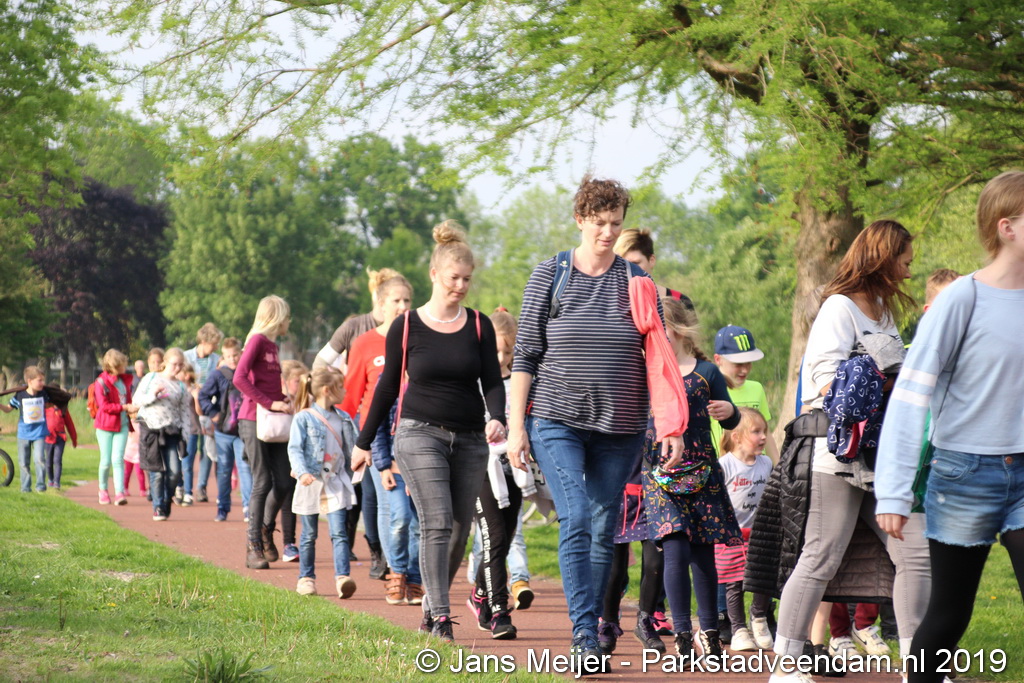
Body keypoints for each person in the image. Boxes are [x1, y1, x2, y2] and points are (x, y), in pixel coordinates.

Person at [506, 175, 681, 672]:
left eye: (615, 223)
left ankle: (597, 626)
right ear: (580, 219)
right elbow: (525, 356)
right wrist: (516, 426)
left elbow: (659, 359)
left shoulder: (638, 283)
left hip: (620, 427)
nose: (607, 232)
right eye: (599, 223)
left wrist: (670, 425)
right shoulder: (551, 275)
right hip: (555, 420)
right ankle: (583, 633)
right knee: (577, 516)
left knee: (604, 528)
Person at [876, 171, 1024, 683]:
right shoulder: (964, 298)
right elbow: (909, 398)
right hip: (964, 474)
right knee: (949, 614)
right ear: (1007, 227)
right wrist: (893, 491)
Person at [767, 220, 930, 683]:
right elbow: (824, 378)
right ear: (882, 258)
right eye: (903, 261)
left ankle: (918, 666)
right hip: (837, 454)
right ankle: (786, 663)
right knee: (821, 554)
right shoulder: (839, 307)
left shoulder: (882, 311)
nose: (908, 271)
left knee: (915, 553)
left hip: (883, 455)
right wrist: (876, 386)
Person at [351, 221, 506, 643]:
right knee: (436, 522)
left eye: (467, 279)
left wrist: (497, 416)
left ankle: (430, 602)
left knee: (458, 530)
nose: (461, 286)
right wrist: (364, 443)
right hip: (419, 434)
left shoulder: (479, 325)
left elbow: (493, 381)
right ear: (434, 274)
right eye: (454, 278)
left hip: (471, 439)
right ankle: (440, 615)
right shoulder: (407, 326)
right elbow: (386, 388)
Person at [643, 297, 741, 658]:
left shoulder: (707, 372)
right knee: (675, 546)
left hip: (702, 471)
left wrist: (730, 410)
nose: (657, 338)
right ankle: (683, 634)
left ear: (680, 330)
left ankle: (710, 632)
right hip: (660, 472)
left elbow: (730, 420)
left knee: (702, 551)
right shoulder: (647, 370)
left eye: (663, 330)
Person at [341, 270, 414, 593]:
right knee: (389, 508)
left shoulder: (419, 338)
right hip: (377, 437)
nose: (403, 306)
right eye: (396, 300)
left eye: (407, 300)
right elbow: (351, 398)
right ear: (381, 305)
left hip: (414, 434)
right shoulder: (364, 343)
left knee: (412, 513)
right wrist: (360, 442)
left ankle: (410, 574)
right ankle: (394, 569)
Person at [466, 309, 530, 640]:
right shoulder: (473, 383)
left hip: (514, 470)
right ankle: (499, 611)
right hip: (480, 469)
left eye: (508, 352)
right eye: (496, 352)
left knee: (504, 537)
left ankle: (480, 593)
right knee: (493, 536)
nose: (502, 358)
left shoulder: (522, 382)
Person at [287, 367, 359, 599]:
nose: (345, 391)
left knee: (340, 533)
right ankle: (306, 579)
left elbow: (353, 447)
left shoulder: (344, 418)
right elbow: (295, 449)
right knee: (309, 535)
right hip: (311, 482)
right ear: (327, 390)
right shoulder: (304, 418)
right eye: (341, 386)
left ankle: (342, 578)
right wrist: (301, 472)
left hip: (335, 482)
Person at [234, 295, 293, 569]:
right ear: (277, 317)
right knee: (262, 482)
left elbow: (268, 382)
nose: (289, 321)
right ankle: (253, 546)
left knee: (284, 481)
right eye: (287, 316)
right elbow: (239, 378)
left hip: (275, 420)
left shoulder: (273, 345)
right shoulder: (257, 341)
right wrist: (270, 403)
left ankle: (266, 529)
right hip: (253, 418)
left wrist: (283, 399)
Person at [716, 407, 774, 652]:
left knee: (763, 580)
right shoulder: (724, 465)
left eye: (764, 431)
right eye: (756, 432)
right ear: (737, 436)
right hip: (731, 537)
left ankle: (759, 619)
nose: (763, 437)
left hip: (760, 535)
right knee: (734, 584)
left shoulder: (766, 463)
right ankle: (738, 629)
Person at [135, 348, 193, 521]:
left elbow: (185, 412)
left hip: (171, 431)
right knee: (157, 472)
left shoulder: (181, 386)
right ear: (165, 362)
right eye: (174, 364)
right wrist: (153, 395)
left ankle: (167, 499)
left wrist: (186, 434)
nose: (177, 368)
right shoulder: (151, 378)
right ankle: (158, 507)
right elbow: (136, 401)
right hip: (151, 430)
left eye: (180, 365)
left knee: (174, 472)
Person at [711, 325, 779, 463]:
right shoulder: (709, 391)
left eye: (748, 363)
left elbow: (766, 432)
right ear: (718, 359)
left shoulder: (756, 388)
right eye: (738, 364)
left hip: (757, 467)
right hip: (723, 468)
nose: (744, 370)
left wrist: (778, 466)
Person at [198, 337, 245, 522]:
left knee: (245, 468)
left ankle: (249, 508)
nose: (232, 359)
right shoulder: (218, 375)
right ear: (223, 357)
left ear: (241, 354)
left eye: (235, 355)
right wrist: (213, 413)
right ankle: (222, 508)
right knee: (224, 470)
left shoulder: (247, 373)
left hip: (243, 430)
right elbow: (203, 396)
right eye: (228, 356)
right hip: (223, 431)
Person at [184, 323, 223, 504]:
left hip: (208, 407)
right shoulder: (187, 357)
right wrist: (194, 389)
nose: (216, 347)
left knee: (207, 449)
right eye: (214, 343)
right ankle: (186, 487)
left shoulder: (216, 359)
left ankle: (201, 487)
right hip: (190, 409)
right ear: (204, 341)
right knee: (190, 448)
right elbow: (182, 378)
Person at [93, 349, 137, 506]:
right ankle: (103, 490)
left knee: (118, 459)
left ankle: (119, 493)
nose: (126, 367)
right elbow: (104, 406)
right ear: (115, 365)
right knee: (106, 461)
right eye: (123, 364)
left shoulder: (123, 381)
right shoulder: (101, 382)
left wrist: (132, 410)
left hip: (122, 425)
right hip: (105, 426)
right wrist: (124, 407)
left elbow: (128, 399)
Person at [614, 228, 695, 309]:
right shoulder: (608, 302)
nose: (627, 270)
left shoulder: (680, 301)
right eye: (621, 264)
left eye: (635, 263)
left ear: (651, 261)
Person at [276, 359, 308, 562]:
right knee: (284, 495)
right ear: (285, 381)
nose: (301, 385)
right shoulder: (278, 402)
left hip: (304, 456)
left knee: (300, 498)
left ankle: (299, 543)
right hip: (281, 453)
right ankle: (284, 541)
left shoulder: (308, 401)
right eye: (297, 381)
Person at [1, 366, 50, 493]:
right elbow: (8, 409)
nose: (42, 383)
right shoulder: (20, 395)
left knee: (40, 459)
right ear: (30, 381)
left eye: (43, 380)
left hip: (39, 433)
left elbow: (49, 405)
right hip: (24, 433)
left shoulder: (44, 394)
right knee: (23, 462)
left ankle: (40, 486)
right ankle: (25, 487)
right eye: (39, 380)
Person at [44, 399, 77, 490]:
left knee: (57, 460)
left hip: (60, 438)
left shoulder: (63, 410)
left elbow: (70, 425)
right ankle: (50, 479)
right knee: (49, 461)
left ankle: (56, 482)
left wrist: (74, 439)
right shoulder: (46, 408)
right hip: (48, 438)